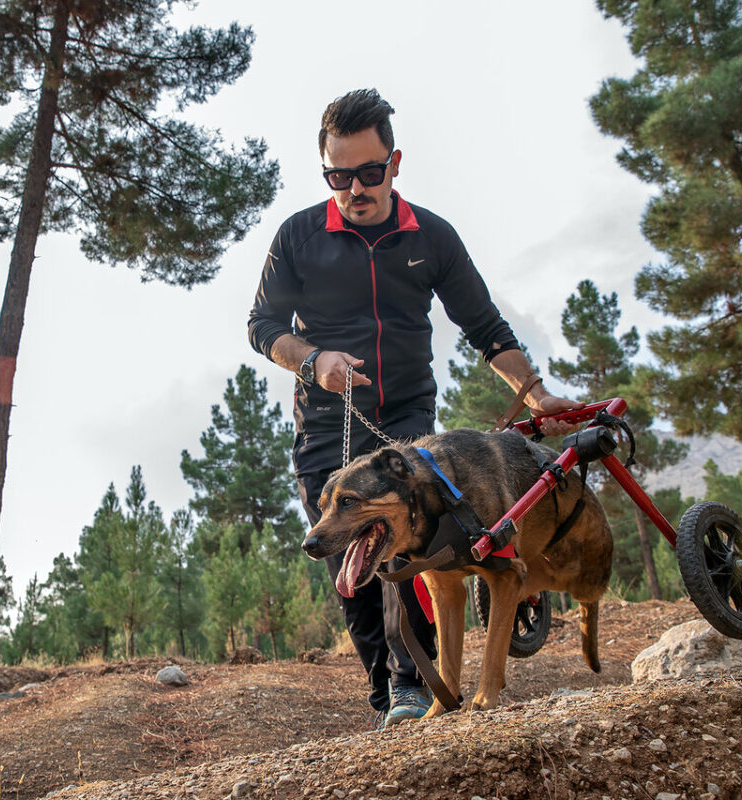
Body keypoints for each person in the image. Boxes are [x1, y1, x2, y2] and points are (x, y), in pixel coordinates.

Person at [247, 89, 581, 728]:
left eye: (369, 173)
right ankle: (389, 695)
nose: (355, 189)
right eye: (338, 177)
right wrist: (314, 360)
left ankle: (413, 684)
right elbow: (262, 326)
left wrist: (537, 395)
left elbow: (485, 327)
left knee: (411, 555)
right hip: (326, 423)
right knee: (350, 558)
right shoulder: (298, 236)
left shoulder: (432, 236)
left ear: (394, 164)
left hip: (406, 425)